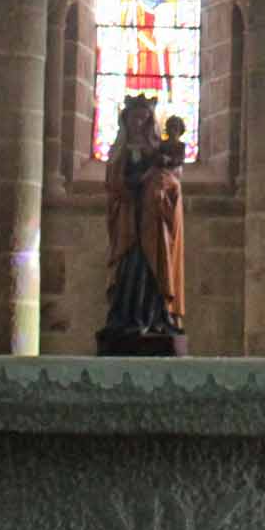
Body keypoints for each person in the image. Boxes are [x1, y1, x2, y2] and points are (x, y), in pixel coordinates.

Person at [99, 94, 185, 352]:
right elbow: (113, 182)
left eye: (144, 118)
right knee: (130, 267)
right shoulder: (120, 151)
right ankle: (126, 318)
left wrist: (158, 184)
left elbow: (172, 181)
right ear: (126, 120)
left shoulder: (159, 148)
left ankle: (157, 317)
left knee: (155, 267)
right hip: (129, 221)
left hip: (154, 223)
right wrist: (132, 185)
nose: (139, 122)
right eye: (135, 117)